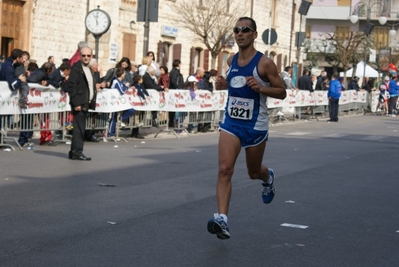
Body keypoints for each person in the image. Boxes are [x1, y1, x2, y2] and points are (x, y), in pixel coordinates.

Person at [206, 17, 286, 240]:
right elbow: (235, 84)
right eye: (236, 30)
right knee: (224, 169)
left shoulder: (265, 64)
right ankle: (222, 219)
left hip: (255, 125)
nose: (239, 33)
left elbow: (282, 91)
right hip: (231, 122)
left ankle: (267, 177)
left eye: (245, 30)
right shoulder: (231, 59)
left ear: (254, 34)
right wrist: (224, 85)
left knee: (253, 172)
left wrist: (261, 88)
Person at [64, 46, 96, 160]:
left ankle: (74, 152)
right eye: (84, 55)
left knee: (80, 128)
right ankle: (77, 153)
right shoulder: (77, 68)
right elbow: (71, 86)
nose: (86, 58)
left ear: (91, 56)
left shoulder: (88, 69)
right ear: (80, 56)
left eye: (88, 55)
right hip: (80, 104)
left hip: (86, 103)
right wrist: (76, 103)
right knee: (79, 129)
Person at [108, 67, 135, 137]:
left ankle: (120, 120)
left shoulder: (120, 82)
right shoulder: (116, 81)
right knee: (114, 117)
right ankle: (111, 133)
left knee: (131, 110)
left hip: (121, 102)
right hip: (115, 102)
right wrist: (126, 86)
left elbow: (123, 87)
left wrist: (129, 87)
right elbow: (122, 91)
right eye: (124, 74)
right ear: (122, 74)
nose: (125, 75)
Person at [168, 59, 184, 128]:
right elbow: (173, 81)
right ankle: (172, 123)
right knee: (173, 108)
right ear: (178, 64)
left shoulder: (175, 71)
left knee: (174, 109)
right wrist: (177, 87)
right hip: (175, 92)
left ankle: (172, 123)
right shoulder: (175, 72)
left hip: (175, 91)